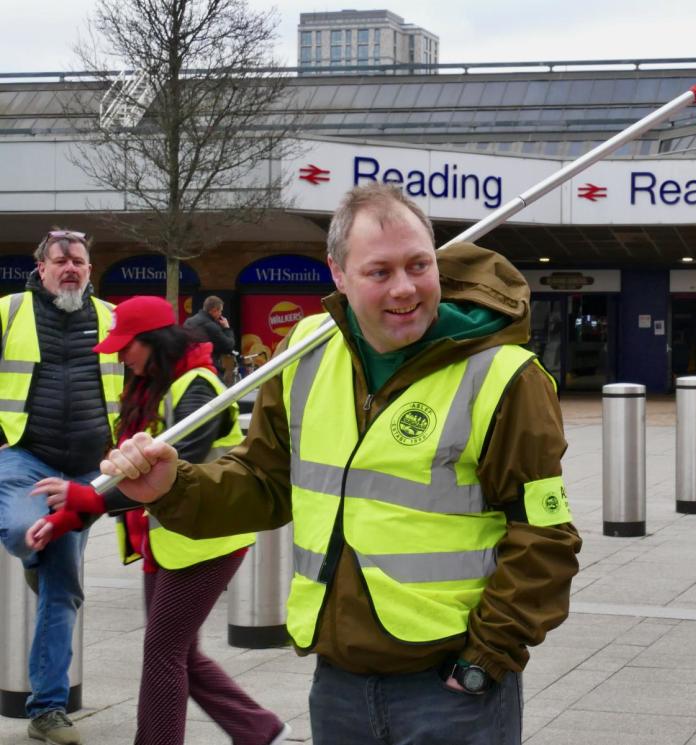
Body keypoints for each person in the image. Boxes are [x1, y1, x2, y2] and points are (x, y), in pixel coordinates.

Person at [100, 183, 582, 745]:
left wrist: (484, 660)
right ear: (339, 274)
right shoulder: (307, 350)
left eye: (419, 265)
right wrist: (172, 486)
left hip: (453, 689)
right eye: (380, 272)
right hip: (338, 684)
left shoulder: (503, 375)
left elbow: (545, 536)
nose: (405, 289)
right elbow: (263, 481)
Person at [25, 296, 289, 745]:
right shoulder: (154, 386)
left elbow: (158, 477)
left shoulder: (199, 388)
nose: (121, 356)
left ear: (156, 341)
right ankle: (260, 730)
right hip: (167, 541)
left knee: (163, 653)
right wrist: (70, 515)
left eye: (128, 346)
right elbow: (126, 474)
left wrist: (82, 498)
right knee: (180, 652)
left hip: (207, 541)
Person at [0, 229, 123, 745]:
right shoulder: (8, 311)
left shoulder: (113, 318)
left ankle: (47, 710)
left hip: (87, 472)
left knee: (63, 588)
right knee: (24, 529)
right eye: (61, 261)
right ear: (41, 268)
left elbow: (143, 383)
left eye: (79, 261)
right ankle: (36, 556)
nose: (70, 268)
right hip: (24, 457)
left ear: (89, 270)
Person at [184, 295, 234, 372]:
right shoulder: (211, 326)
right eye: (220, 311)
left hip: (188, 366)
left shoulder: (188, 322)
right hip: (207, 367)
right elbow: (228, 346)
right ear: (214, 310)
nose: (220, 314)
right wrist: (227, 328)